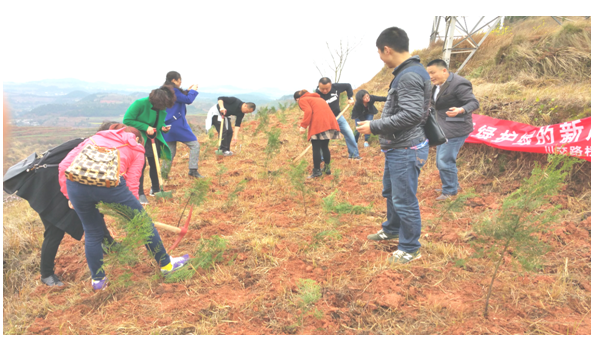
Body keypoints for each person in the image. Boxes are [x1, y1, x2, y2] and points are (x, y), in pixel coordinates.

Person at [58, 124, 189, 290]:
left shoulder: (93, 139)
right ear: (136, 138)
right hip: (110, 185)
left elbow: (64, 166)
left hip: (76, 185)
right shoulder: (136, 149)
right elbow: (133, 183)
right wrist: (131, 211)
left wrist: (69, 195)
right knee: (144, 225)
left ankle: (98, 281)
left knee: (92, 231)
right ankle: (167, 265)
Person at [2, 122, 120, 287]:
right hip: (46, 189)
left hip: (59, 186)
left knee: (95, 210)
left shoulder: (96, 146)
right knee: (54, 231)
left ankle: (108, 243)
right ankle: (46, 274)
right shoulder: (86, 144)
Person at [356, 27, 431, 264]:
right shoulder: (408, 72)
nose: (380, 57)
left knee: (404, 198)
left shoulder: (408, 75)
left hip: (406, 149)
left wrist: (374, 126)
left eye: (379, 53)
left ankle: (410, 248)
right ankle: (391, 229)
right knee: (391, 193)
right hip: (398, 147)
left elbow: (410, 115)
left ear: (386, 49)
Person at [426, 59, 479, 200]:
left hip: (456, 127)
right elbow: (434, 103)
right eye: (428, 73)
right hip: (443, 127)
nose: (430, 76)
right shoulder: (437, 85)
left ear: (444, 70)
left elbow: (473, 102)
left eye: (432, 73)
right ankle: (453, 185)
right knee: (441, 160)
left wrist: (461, 109)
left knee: (444, 160)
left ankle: (449, 191)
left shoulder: (459, 83)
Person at [123, 86, 174, 204]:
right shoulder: (140, 104)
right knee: (140, 165)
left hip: (153, 137)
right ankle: (139, 193)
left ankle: (155, 189)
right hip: (139, 138)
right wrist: (145, 127)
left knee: (154, 163)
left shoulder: (161, 106)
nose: (163, 108)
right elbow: (127, 120)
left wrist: (162, 127)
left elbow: (157, 121)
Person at [161, 71, 205, 179]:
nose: (180, 82)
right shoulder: (174, 91)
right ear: (174, 80)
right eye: (179, 80)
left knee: (170, 151)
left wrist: (187, 91)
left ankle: (164, 175)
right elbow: (188, 100)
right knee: (195, 145)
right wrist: (193, 91)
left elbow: (179, 97)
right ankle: (193, 170)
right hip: (177, 125)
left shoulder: (165, 90)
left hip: (166, 124)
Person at [294, 89, 341, 178]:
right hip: (329, 123)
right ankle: (327, 168)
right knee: (324, 146)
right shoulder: (319, 99)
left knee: (316, 148)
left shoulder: (302, 100)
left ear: (298, 98)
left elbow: (308, 111)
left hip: (319, 124)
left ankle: (317, 171)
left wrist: (303, 126)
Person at [315, 77, 361, 159]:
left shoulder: (336, 87)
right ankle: (321, 158)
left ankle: (354, 155)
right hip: (324, 119)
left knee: (349, 133)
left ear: (331, 85)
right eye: (322, 89)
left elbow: (348, 86)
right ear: (319, 86)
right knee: (322, 139)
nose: (325, 91)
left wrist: (350, 98)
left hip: (338, 116)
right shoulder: (316, 95)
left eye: (327, 88)